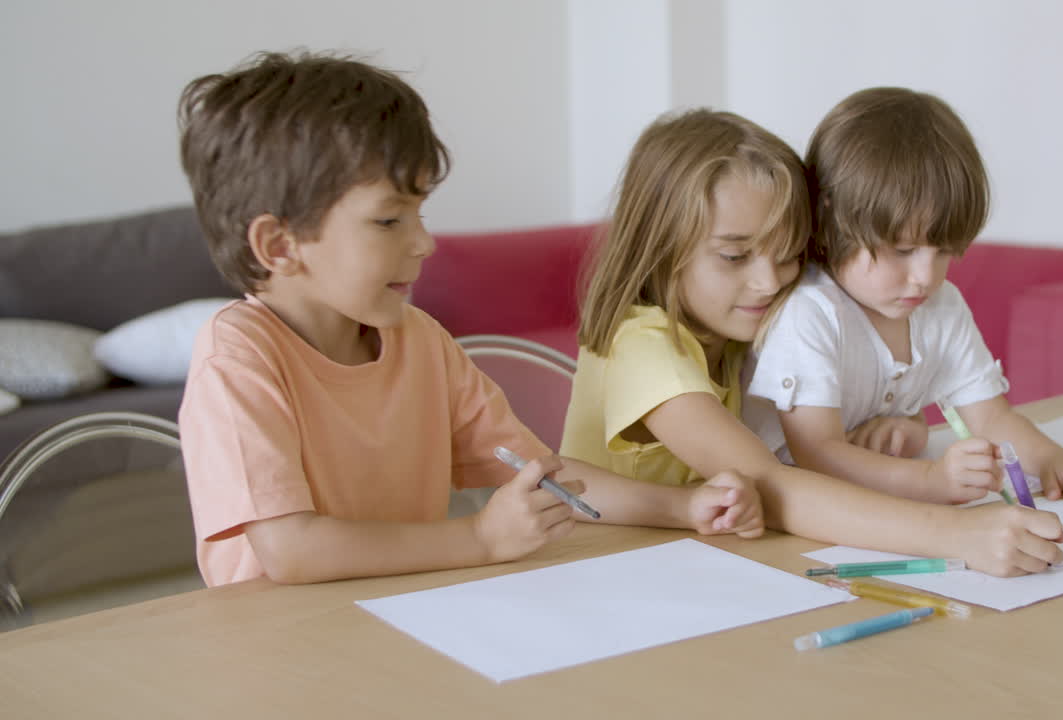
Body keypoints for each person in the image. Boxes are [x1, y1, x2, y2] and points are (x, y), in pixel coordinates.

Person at [176, 51, 763, 588]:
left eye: (420, 214)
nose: (424, 242)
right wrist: (480, 538)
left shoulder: (419, 339)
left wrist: (683, 508)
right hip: (278, 641)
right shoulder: (239, 357)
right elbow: (291, 551)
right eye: (389, 221)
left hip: (405, 615)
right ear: (279, 245)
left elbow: (544, 474)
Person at [561, 108, 1063, 577]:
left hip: (714, 555)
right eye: (734, 257)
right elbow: (770, 483)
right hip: (610, 565)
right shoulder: (642, 347)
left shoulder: (733, 323)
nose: (769, 282)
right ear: (658, 248)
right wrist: (956, 534)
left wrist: (905, 423)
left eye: (787, 253)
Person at [744, 87, 1063, 507]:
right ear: (832, 217)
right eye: (903, 250)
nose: (924, 278)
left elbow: (990, 417)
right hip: (782, 503)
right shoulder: (810, 311)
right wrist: (930, 478)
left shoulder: (941, 305)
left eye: (943, 252)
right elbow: (817, 454)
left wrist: (1053, 461)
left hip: (859, 500)